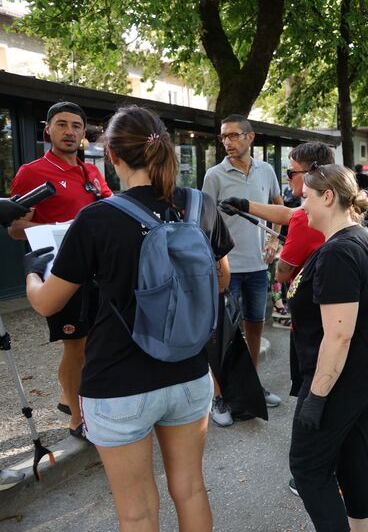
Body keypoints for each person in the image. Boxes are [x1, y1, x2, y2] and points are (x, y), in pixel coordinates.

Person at [24, 105, 232, 531]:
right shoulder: (200, 206)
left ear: (113, 157)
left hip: (119, 382)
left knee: (137, 511)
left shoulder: (97, 218)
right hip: (190, 371)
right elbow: (222, 280)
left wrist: (32, 270)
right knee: (191, 489)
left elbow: (47, 302)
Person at [286, 164, 368, 532]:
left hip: (339, 378)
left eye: (307, 196)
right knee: (352, 455)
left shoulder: (338, 253)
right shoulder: (358, 238)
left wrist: (317, 396)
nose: (302, 204)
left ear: (328, 197)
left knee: (308, 467)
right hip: (359, 374)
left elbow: (339, 335)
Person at [9, 101, 113, 439]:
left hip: (98, 270)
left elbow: (109, 212)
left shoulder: (92, 173)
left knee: (94, 342)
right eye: (62, 124)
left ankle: (71, 399)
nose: (69, 131)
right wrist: (38, 226)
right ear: (48, 130)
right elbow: (14, 230)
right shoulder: (32, 172)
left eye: (76, 126)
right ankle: (77, 420)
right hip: (61, 273)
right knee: (75, 345)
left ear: (84, 133)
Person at [202, 114, 283, 426]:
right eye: (224, 136)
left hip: (258, 266)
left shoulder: (266, 170)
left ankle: (252, 387)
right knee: (224, 334)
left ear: (251, 138)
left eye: (234, 135)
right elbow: (205, 222)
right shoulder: (214, 176)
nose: (227, 142)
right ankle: (219, 396)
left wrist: (275, 239)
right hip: (228, 269)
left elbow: (278, 205)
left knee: (255, 329)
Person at [354, 164, 368, 230]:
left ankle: (357, 224)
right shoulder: (366, 177)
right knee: (366, 210)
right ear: (362, 169)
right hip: (365, 196)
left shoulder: (353, 177)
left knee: (356, 210)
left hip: (356, 196)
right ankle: (367, 225)